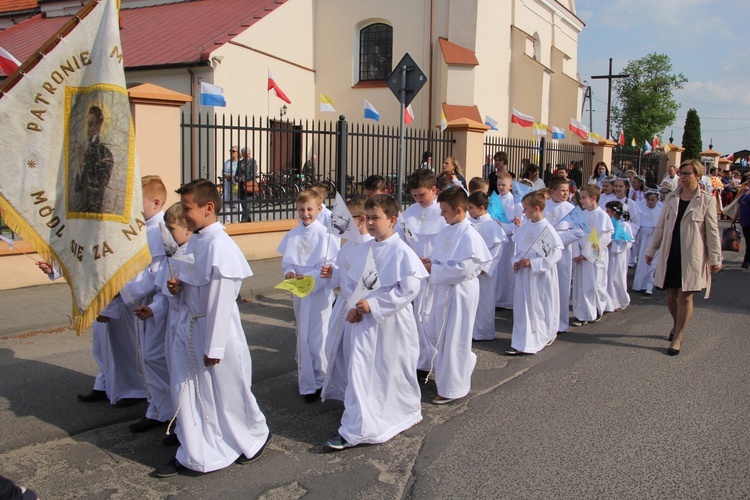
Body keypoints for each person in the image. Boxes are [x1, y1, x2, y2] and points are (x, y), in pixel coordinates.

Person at [155, 179, 270, 477]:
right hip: (193, 326)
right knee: (194, 391)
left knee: (228, 392)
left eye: (188, 208)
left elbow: (220, 300)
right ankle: (200, 448)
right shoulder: (197, 239)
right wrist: (178, 286)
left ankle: (254, 436)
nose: (185, 214)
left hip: (214, 331)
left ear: (208, 208)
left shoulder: (220, 245)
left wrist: (214, 346)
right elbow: (194, 280)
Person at [325, 194, 427, 450]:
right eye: (367, 218)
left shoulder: (401, 250)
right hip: (363, 323)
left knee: (389, 370)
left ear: (392, 220)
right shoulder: (365, 248)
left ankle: (400, 411)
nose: (369, 222)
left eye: (375, 218)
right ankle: (357, 426)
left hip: (390, 323)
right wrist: (353, 308)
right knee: (360, 370)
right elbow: (351, 283)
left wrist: (375, 305)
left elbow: (409, 289)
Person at [645, 159, 722, 356]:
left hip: (692, 254)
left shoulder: (706, 200)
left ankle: (678, 336)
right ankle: (676, 323)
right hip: (671, 251)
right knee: (671, 294)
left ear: (697, 176)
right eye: (681, 173)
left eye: (687, 174)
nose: (683, 177)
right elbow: (661, 226)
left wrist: (715, 258)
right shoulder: (671, 197)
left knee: (685, 294)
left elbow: (712, 232)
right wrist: (651, 250)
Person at [421, 188, 491, 403]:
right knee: (435, 332)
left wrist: (436, 269)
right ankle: (463, 364)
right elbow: (441, 258)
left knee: (454, 339)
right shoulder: (447, 229)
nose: (441, 214)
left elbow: (465, 269)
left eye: (444, 211)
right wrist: (430, 263)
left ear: (458, 209)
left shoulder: (469, 235)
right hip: (443, 289)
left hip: (460, 292)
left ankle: (453, 388)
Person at [121, 175, 174, 432]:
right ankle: (155, 408)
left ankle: (167, 410)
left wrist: (124, 291)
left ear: (155, 202)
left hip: (158, 301)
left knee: (155, 356)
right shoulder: (142, 226)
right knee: (147, 356)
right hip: (144, 299)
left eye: (136, 202)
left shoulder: (164, 230)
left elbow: (158, 273)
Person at [277, 189, 339, 401]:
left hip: (319, 292)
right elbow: (287, 260)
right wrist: (290, 273)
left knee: (318, 337)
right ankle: (307, 383)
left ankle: (322, 380)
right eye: (302, 209)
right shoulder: (293, 234)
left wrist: (310, 276)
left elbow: (329, 264)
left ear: (319, 209)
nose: (305, 213)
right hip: (299, 293)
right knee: (302, 335)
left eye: (310, 209)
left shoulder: (326, 234)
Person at [319, 196, 372, 402]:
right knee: (335, 348)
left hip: (356, 308)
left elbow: (368, 282)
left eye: (347, 219)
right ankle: (342, 392)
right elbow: (343, 274)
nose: (342, 224)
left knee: (353, 354)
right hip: (342, 305)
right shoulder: (348, 245)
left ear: (361, 219)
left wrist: (359, 307)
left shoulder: (371, 246)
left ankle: (356, 397)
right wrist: (332, 273)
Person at [400, 169, 446, 375]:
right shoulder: (409, 213)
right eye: (415, 195)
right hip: (415, 272)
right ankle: (423, 360)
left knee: (434, 317)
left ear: (434, 189)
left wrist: (435, 263)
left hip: (436, 272)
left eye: (422, 194)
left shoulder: (444, 212)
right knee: (418, 316)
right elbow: (401, 240)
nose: (418, 199)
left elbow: (449, 243)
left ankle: (440, 358)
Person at [506, 191, 563, 355]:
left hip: (539, 276)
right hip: (523, 275)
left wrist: (534, 263)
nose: (523, 212)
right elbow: (518, 250)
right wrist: (515, 262)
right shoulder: (525, 227)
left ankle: (539, 338)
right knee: (521, 308)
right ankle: (520, 341)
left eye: (526, 208)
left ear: (536, 208)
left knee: (538, 306)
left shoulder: (547, 228)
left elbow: (556, 253)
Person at [544, 177, 584, 333]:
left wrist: (557, 240)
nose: (565, 193)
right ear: (552, 191)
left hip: (562, 252)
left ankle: (561, 322)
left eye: (567, 190)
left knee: (562, 285)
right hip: (545, 250)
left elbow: (579, 231)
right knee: (546, 285)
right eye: (562, 190)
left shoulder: (572, 209)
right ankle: (547, 320)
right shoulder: (544, 206)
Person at [570, 185, 614, 326]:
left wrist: (588, 253)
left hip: (595, 257)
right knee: (580, 285)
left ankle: (596, 311)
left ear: (593, 198)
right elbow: (576, 234)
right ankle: (581, 314)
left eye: (583, 197)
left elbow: (605, 238)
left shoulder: (602, 216)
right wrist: (577, 253)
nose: (581, 200)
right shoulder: (581, 214)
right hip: (580, 256)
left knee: (595, 284)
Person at [467, 191, 507, 341]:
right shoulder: (468, 223)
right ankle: (470, 331)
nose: (468, 210)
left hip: (484, 272)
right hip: (470, 269)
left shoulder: (491, 225)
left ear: (481, 207)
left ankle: (483, 332)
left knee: (484, 301)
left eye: (471, 207)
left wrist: (486, 267)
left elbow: (497, 249)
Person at [71, 105, 114, 213]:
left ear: (98, 126)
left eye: (91, 124)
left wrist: (84, 165)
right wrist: (81, 166)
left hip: (94, 213)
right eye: (86, 125)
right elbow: (77, 188)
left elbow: (98, 189)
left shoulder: (104, 152)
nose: (88, 129)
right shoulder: (86, 149)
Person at [494, 172, 522, 309]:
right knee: (497, 270)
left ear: (510, 186)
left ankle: (506, 299)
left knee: (506, 270)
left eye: (503, 185)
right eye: (499, 184)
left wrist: (503, 227)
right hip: (495, 239)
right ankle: (497, 299)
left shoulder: (514, 202)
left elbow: (516, 224)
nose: (500, 187)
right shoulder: (494, 200)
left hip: (508, 240)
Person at [604, 201, 633, 312]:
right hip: (608, 254)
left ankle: (619, 300)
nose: (607, 213)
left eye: (608, 211)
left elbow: (628, 242)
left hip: (618, 256)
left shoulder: (623, 225)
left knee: (616, 278)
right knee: (608, 277)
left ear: (615, 212)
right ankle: (609, 302)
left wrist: (614, 245)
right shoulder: (609, 222)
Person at [632, 190, 662, 294]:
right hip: (643, 239)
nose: (650, 202)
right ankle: (639, 285)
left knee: (652, 263)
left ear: (657, 200)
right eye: (648, 200)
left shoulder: (660, 211)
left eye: (653, 200)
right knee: (642, 261)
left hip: (654, 239)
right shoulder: (642, 210)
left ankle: (649, 285)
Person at [732, 173, 750, 268]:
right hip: (744, 219)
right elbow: (739, 205)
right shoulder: (745, 192)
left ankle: (746, 261)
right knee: (747, 240)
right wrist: (734, 218)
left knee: (749, 241)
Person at [235, 147, 258, 222]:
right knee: (243, 205)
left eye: (249, 153)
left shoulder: (253, 162)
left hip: (249, 186)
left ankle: (243, 221)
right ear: (242, 154)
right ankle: (248, 221)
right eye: (246, 154)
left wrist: (242, 179)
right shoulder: (239, 163)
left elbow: (252, 174)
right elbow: (236, 173)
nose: (248, 155)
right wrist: (236, 177)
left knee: (247, 205)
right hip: (241, 187)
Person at [221, 146, 240, 223]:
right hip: (228, 182)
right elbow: (223, 172)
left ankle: (239, 218)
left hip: (235, 183)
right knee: (225, 199)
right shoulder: (227, 162)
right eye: (230, 151)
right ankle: (227, 218)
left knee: (236, 200)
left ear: (237, 153)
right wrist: (225, 175)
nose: (231, 152)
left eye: (233, 151)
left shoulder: (239, 162)